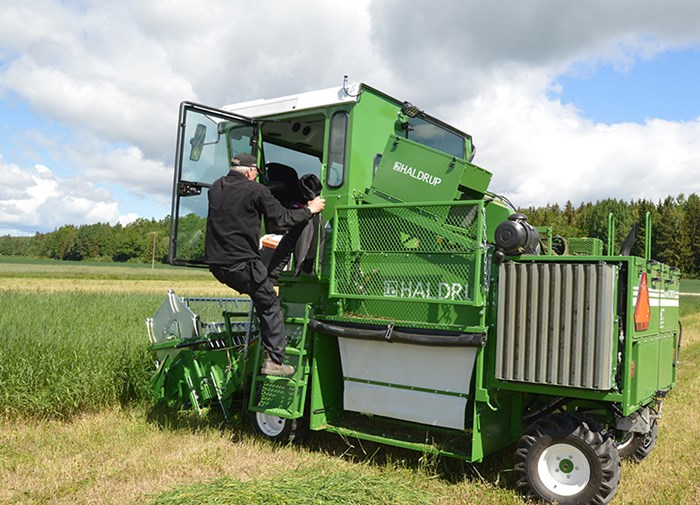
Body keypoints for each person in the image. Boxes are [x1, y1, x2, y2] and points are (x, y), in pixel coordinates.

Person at [206, 153, 325, 376]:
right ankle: (274, 361)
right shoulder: (256, 190)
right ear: (251, 171)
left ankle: (268, 347)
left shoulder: (215, 188)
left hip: (217, 265)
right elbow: (282, 219)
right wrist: (310, 209)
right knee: (270, 304)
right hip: (242, 264)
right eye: (257, 173)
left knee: (262, 291)